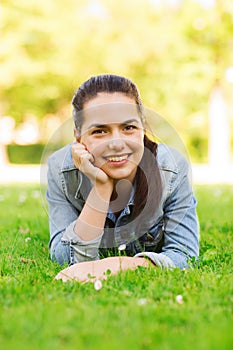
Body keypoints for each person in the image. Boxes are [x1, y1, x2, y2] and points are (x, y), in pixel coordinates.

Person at [46, 74, 199, 282]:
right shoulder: (61, 170)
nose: (117, 143)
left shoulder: (170, 168)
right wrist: (101, 187)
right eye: (100, 131)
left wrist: (119, 265)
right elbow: (65, 258)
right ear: (78, 137)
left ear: (142, 129)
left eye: (128, 128)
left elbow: (184, 254)